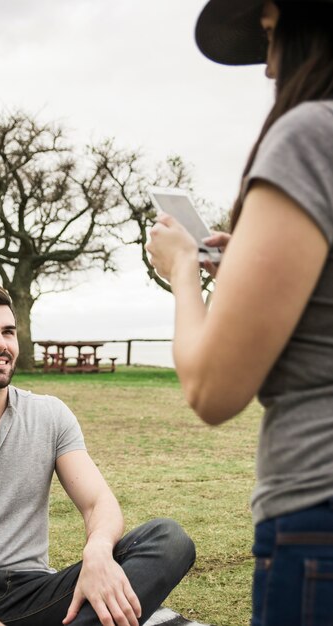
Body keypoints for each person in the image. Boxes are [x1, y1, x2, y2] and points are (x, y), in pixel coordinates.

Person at [146, 1, 333, 625]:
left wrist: (180, 270)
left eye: (274, 36)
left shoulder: (311, 133)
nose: (267, 68)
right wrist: (254, 271)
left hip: (317, 515)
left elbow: (212, 387)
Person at [0, 280, 195, 626]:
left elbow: (98, 504)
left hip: (35, 593)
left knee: (169, 540)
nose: (0, 344)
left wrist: (98, 552)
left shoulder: (50, 415)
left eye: (8, 332)